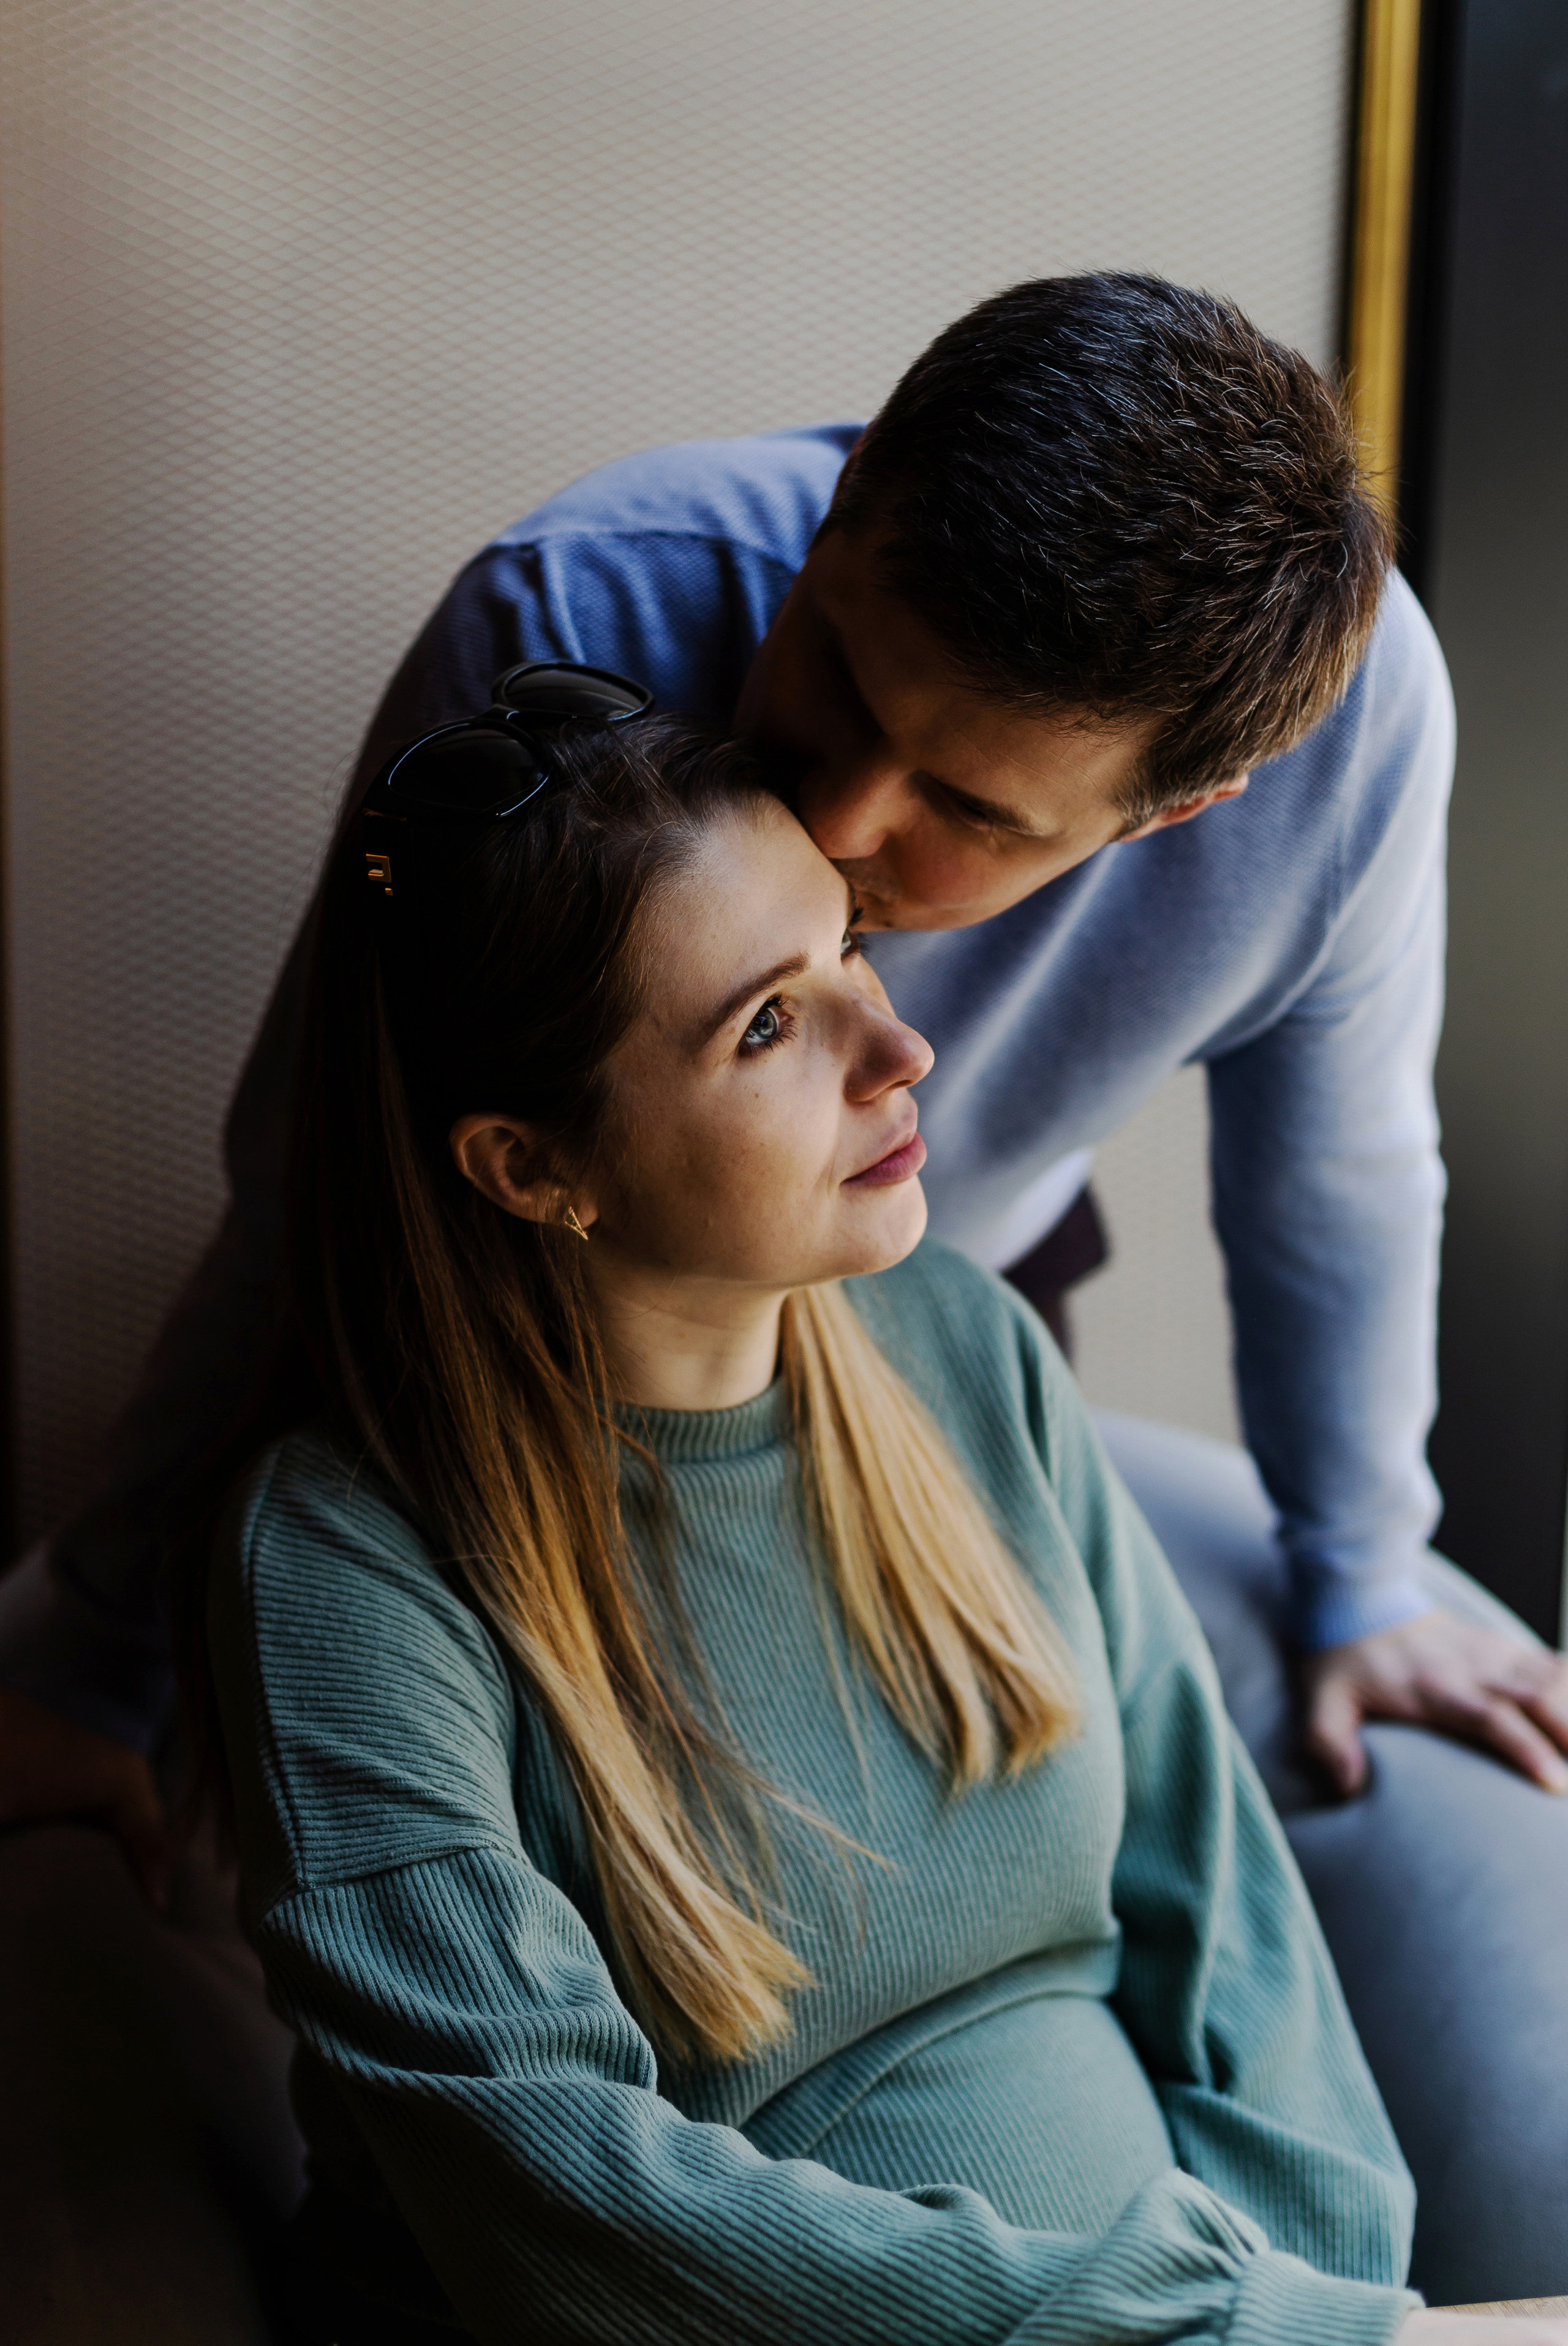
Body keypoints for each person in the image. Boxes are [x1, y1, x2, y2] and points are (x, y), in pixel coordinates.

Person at [4, 271, 1568, 2304]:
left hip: (881, 1333)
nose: (831, 818)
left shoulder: (982, 1350)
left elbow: (1338, 1175)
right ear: (844, 511)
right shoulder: (570, 619)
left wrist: (1367, 1573)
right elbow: (321, 1192)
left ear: (1177, 813)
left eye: (937, 843)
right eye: (832, 677)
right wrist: (95, 1652)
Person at [190, 684, 1531, 2345]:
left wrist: (1342, 2308)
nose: (898, 1052)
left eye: (850, 956)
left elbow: (1228, 1918)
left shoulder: (965, 1347)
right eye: (766, 1025)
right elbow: (567, 2208)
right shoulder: (344, 1572)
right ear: (531, 1168)